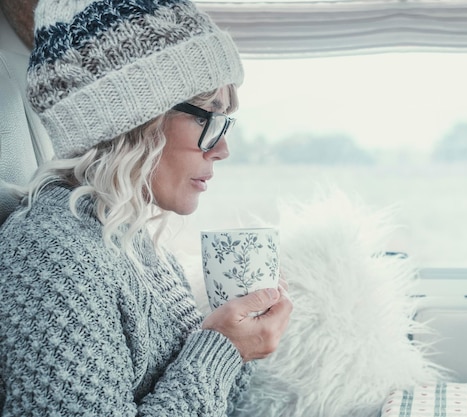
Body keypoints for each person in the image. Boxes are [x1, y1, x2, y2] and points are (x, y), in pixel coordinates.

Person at [0, 0, 293, 415]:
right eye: (209, 116)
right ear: (136, 120)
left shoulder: (133, 240)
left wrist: (243, 339)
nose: (223, 149)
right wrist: (222, 350)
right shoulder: (51, 256)